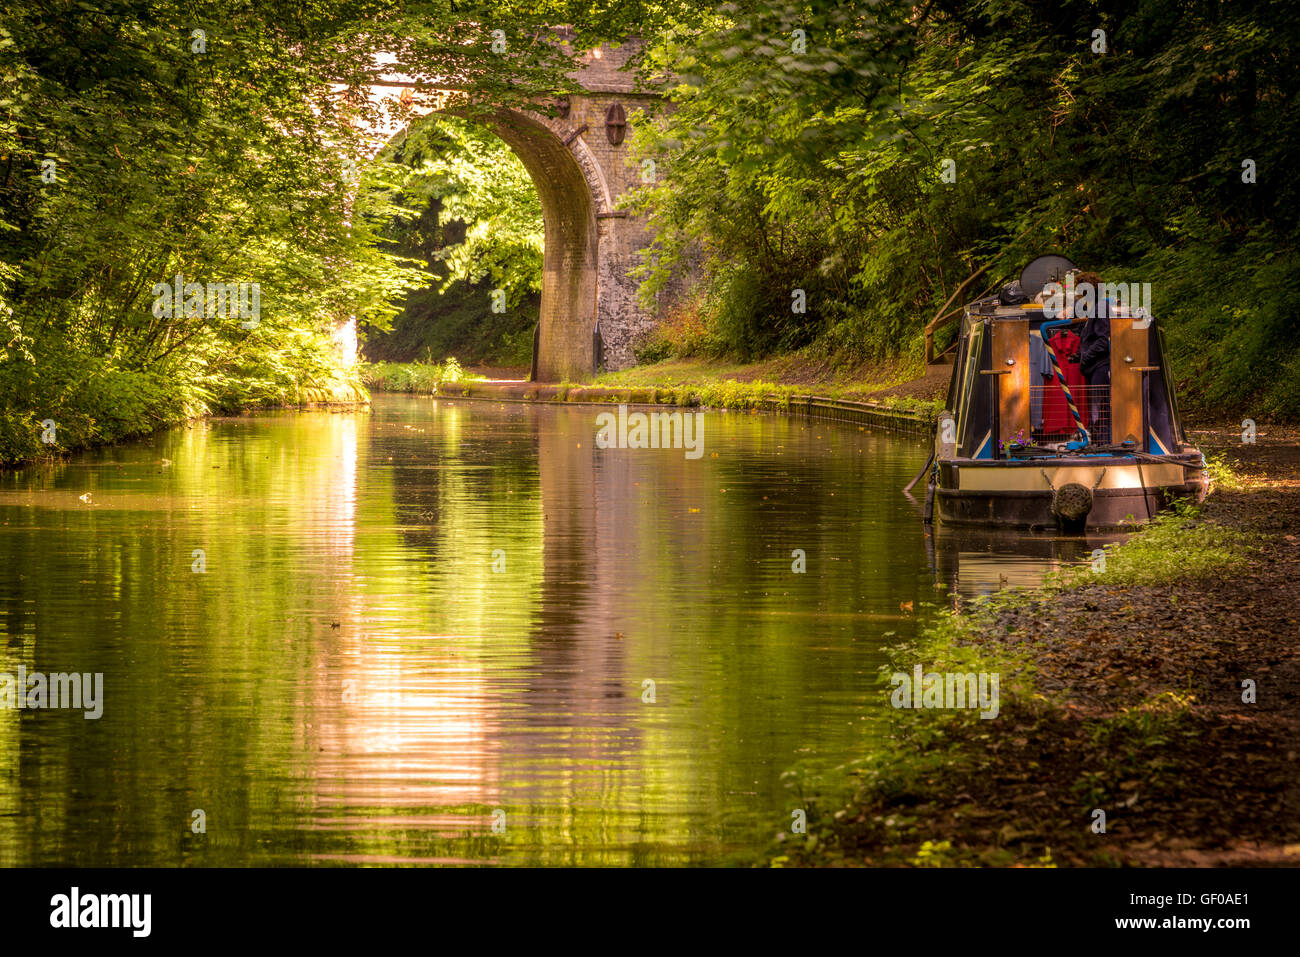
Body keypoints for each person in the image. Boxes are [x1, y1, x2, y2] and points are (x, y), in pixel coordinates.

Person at [1076, 271, 1111, 443]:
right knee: (1097, 406)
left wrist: (1085, 357)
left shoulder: (1101, 308)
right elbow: (1093, 339)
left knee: (1099, 407)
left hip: (1100, 366)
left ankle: (1102, 443)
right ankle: (1099, 441)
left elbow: (1104, 340)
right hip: (1094, 365)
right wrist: (1079, 355)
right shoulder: (1095, 308)